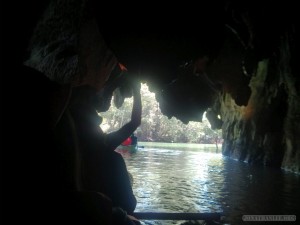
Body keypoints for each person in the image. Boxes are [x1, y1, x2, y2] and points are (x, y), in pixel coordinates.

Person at [68, 77, 142, 215]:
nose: (100, 125)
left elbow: (135, 122)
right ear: (88, 129)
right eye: (96, 123)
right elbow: (135, 122)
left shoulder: (81, 149)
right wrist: (137, 91)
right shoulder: (105, 147)